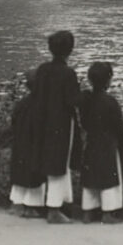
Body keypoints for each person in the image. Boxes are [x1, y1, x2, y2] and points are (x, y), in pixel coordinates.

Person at [32, 30, 81, 224]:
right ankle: (54, 208)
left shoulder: (43, 69)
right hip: (61, 123)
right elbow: (73, 101)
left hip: (43, 121)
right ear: (70, 50)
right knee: (60, 162)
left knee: (48, 159)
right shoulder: (68, 73)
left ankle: (58, 201)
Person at [77, 61, 123, 222]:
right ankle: (108, 212)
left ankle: (87, 211)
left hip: (92, 141)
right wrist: (121, 142)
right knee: (109, 176)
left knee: (90, 176)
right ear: (109, 80)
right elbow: (118, 127)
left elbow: (83, 122)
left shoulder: (86, 100)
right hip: (108, 143)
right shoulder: (111, 102)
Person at [7, 69, 44, 217]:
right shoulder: (42, 106)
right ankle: (31, 206)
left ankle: (16, 203)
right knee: (35, 174)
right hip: (34, 145)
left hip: (20, 143)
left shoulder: (21, 104)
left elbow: (14, 123)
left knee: (20, 172)